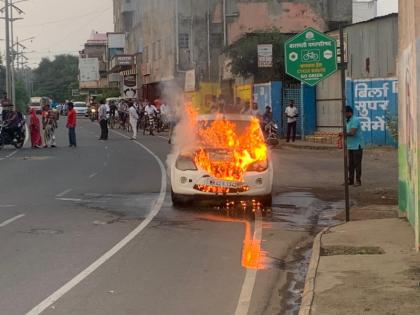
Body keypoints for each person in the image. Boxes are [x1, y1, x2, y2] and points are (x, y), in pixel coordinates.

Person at [344, 105, 364, 186]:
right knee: (350, 164)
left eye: (344, 113)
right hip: (350, 145)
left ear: (349, 112)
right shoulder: (347, 120)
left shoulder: (355, 120)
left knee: (357, 164)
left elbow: (352, 133)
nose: (344, 114)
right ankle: (350, 180)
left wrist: (343, 134)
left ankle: (358, 181)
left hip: (357, 145)